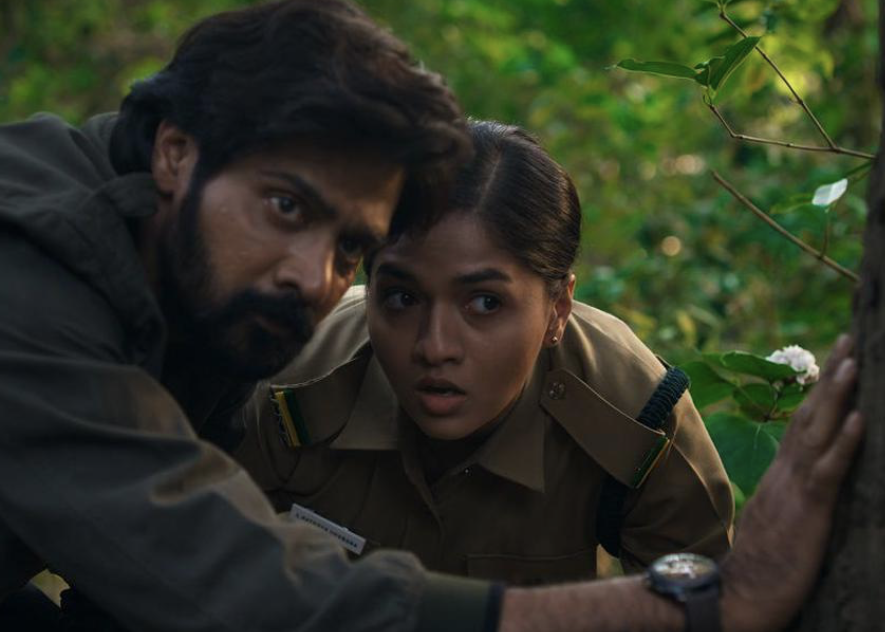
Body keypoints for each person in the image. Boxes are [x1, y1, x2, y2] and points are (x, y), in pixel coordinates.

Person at [0, 1, 864, 631]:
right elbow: (225, 584)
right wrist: (703, 606)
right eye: (287, 206)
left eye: (350, 248)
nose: (312, 278)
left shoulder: (200, 279)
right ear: (176, 151)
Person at [232, 121, 733, 584]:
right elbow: (201, 570)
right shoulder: (285, 372)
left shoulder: (631, 412)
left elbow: (702, 607)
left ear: (557, 310)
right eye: (402, 298)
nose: (435, 347)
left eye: (485, 303)